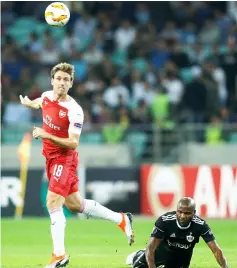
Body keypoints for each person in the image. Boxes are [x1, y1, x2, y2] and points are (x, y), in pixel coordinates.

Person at [19, 62, 134, 268]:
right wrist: (29, 103)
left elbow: (73, 142)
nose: (61, 83)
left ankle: (59, 256)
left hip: (65, 158)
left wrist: (46, 134)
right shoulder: (46, 96)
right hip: (51, 158)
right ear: (52, 81)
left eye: (66, 80)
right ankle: (121, 219)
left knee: (53, 202)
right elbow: (40, 103)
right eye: (58, 79)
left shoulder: (74, 110)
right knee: (75, 205)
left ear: (71, 84)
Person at [126, 197, 228, 268]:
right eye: (180, 212)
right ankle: (138, 255)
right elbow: (151, 247)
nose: (183, 216)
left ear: (194, 213)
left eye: (187, 213)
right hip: (160, 252)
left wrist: (225, 266)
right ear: (176, 210)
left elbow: (216, 250)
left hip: (180, 259)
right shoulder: (165, 221)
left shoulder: (200, 225)